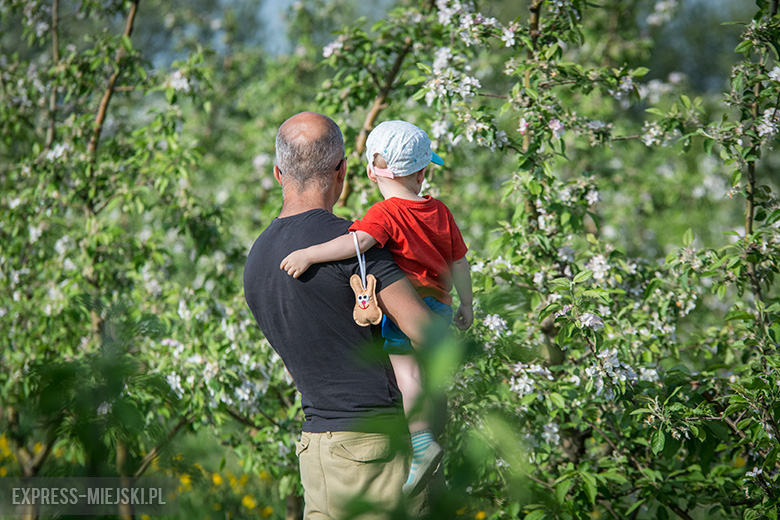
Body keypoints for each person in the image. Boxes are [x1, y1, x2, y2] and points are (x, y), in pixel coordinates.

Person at [243, 112, 440, 520]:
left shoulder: (258, 258)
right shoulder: (353, 247)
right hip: (377, 450)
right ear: (342, 172)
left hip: (316, 451)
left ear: (279, 173)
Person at [280, 120, 473, 497]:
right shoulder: (440, 211)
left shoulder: (384, 215)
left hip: (411, 307)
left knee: (409, 378)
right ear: (421, 172)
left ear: (369, 170)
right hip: (442, 306)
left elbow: (356, 244)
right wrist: (467, 303)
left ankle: (421, 445)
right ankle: (436, 437)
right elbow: (460, 262)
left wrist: (309, 254)